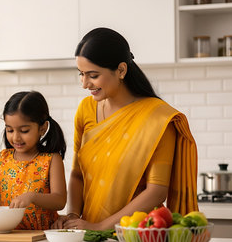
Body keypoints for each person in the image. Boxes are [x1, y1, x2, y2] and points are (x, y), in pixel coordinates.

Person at [51, 27, 198, 231]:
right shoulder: (86, 109)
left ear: (121, 70)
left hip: (137, 232)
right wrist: (73, 216)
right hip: (88, 232)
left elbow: (156, 192)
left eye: (93, 75)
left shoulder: (158, 118)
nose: (85, 84)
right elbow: (77, 174)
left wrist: (101, 226)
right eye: (81, 74)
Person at [0, 91, 67, 230]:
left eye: (24, 131)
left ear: (43, 128)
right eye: (10, 130)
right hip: (9, 234)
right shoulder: (3, 158)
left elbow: (60, 200)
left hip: (42, 235)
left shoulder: (52, 159)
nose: (16, 138)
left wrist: (32, 197)